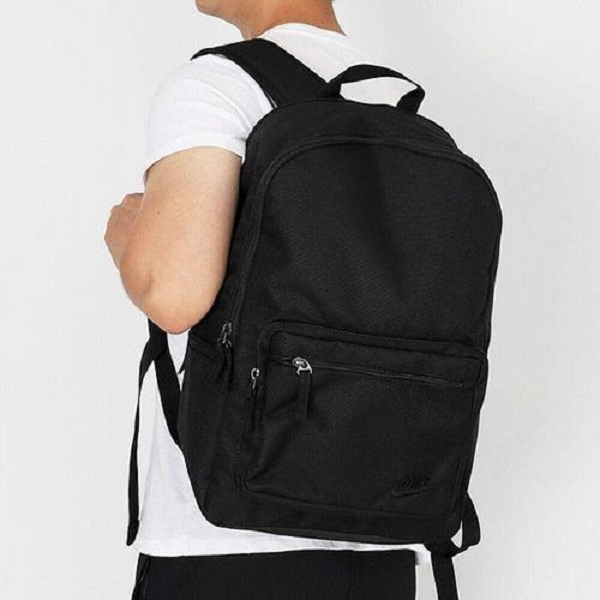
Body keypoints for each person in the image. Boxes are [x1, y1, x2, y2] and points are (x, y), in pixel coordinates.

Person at [104, 1, 428, 598]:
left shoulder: (218, 85)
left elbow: (173, 295)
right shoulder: (392, 101)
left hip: (229, 545)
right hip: (380, 544)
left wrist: (128, 237)